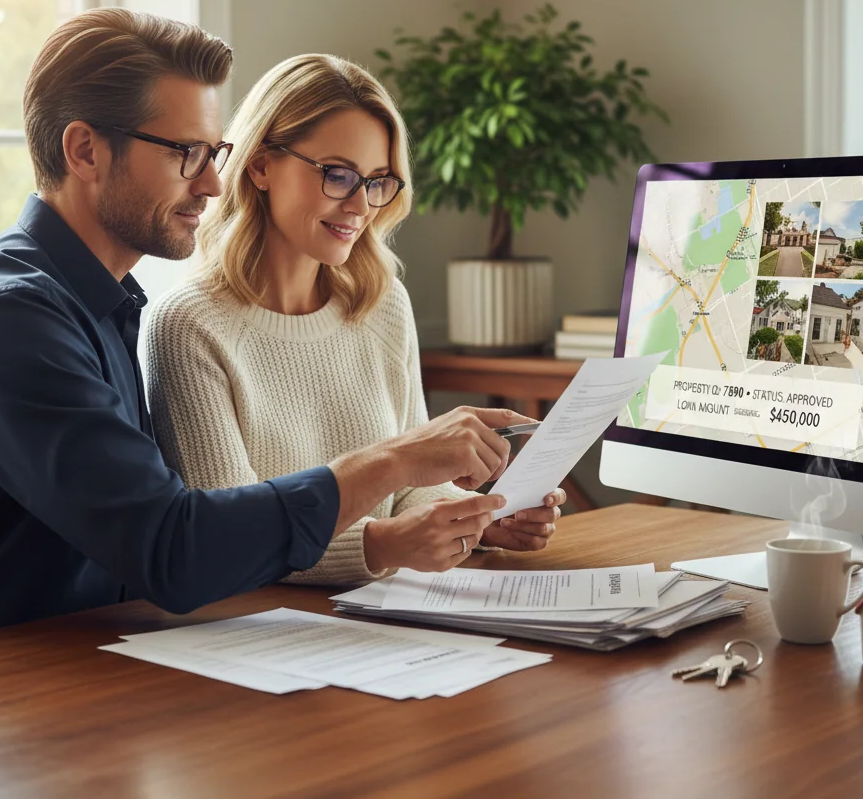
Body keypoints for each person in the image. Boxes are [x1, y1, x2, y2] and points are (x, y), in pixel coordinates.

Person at [0, 9, 540, 640]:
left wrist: (463, 513)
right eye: (186, 153)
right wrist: (390, 463)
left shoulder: (100, 303)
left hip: (97, 666)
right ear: (85, 150)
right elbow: (175, 552)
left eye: (214, 152)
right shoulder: (10, 318)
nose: (214, 182)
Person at [146, 54, 563, 586]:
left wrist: (479, 519)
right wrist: (381, 544)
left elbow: (412, 489)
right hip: (265, 632)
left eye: (378, 181)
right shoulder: (189, 325)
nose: (361, 206)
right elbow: (228, 539)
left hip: (389, 618)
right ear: (260, 164)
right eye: (338, 175)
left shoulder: (382, 304)